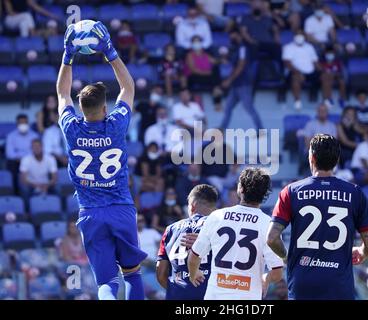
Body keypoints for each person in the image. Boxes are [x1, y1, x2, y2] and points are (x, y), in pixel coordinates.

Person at [57, 22, 146, 300]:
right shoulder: (116, 125)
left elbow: (62, 94)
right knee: (132, 272)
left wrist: (67, 56)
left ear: (80, 108)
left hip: (90, 213)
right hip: (120, 207)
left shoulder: (71, 128)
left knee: (107, 282)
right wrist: (109, 51)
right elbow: (128, 87)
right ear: (105, 108)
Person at [267, 134, 368, 300]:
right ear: (337, 159)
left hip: (302, 283)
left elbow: (272, 238)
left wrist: (286, 256)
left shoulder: (291, 191)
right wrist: (362, 252)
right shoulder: (355, 193)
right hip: (338, 285)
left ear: (311, 157)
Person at [188, 167, 284, 300]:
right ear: (265, 194)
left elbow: (194, 257)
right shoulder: (267, 224)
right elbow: (278, 272)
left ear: (240, 189)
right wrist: (266, 278)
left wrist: (193, 273)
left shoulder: (217, 216)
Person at [156, 184, 218, 299]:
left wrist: (179, 290)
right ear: (214, 208)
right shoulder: (220, 226)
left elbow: (160, 274)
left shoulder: (170, 229)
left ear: (192, 206)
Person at [219, 29, 264, 131]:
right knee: (228, 108)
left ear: (238, 34)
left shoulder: (243, 48)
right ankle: (222, 128)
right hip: (235, 84)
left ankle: (260, 129)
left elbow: (241, 65)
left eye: (232, 34)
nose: (231, 37)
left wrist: (229, 80)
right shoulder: (236, 49)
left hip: (243, 83)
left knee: (249, 108)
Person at [282, 29, 319, 110]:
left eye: (301, 34)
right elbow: (287, 63)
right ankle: (297, 101)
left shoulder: (310, 47)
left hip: (310, 72)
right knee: (295, 77)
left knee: (326, 76)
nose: (299, 37)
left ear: (305, 36)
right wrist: (298, 72)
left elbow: (315, 61)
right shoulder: (288, 47)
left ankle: (327, 101)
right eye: (297, 34)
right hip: (295, 72)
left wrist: (322, 70)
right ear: (294, 36)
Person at [184, 35, 223, 109]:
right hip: (194, 76)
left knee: (216, 70)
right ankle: (218, 92)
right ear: (192, 44)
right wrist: (208, 73)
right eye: (195, 42)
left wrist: (221, 59)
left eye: (198, 41)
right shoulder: (189, 55)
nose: (197, 43)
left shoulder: (205, 54)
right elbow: (193, 70)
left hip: (206, 76)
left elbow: (214, 61)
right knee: (214, 78)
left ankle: (217, 93)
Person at [240, 0, 281, 66]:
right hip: (254, 42)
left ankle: (278, 71)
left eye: (258, 5)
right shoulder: (246, 18)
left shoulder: (267, 18)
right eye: (255, 5)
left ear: (262, 7)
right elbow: (243, 32)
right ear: (251, 6)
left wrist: (276, 38)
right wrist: (251, 41)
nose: (256, 7)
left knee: (278, 48)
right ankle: (252, 71)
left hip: (268, 42)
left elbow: (275, 29)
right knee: (252, 49)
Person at [6, 114, 39, 194]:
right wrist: (21, 158)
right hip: (17, 161)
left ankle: (37, 188)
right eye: (21, 123)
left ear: (28, 123)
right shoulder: (11, 136)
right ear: (17, 124)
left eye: (25, 122)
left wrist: (26, 159)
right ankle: (15, 192)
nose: (23, 125)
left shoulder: (34, 135)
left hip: (31, 160)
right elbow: (9, 153)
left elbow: (36, 150)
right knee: (11, 164)